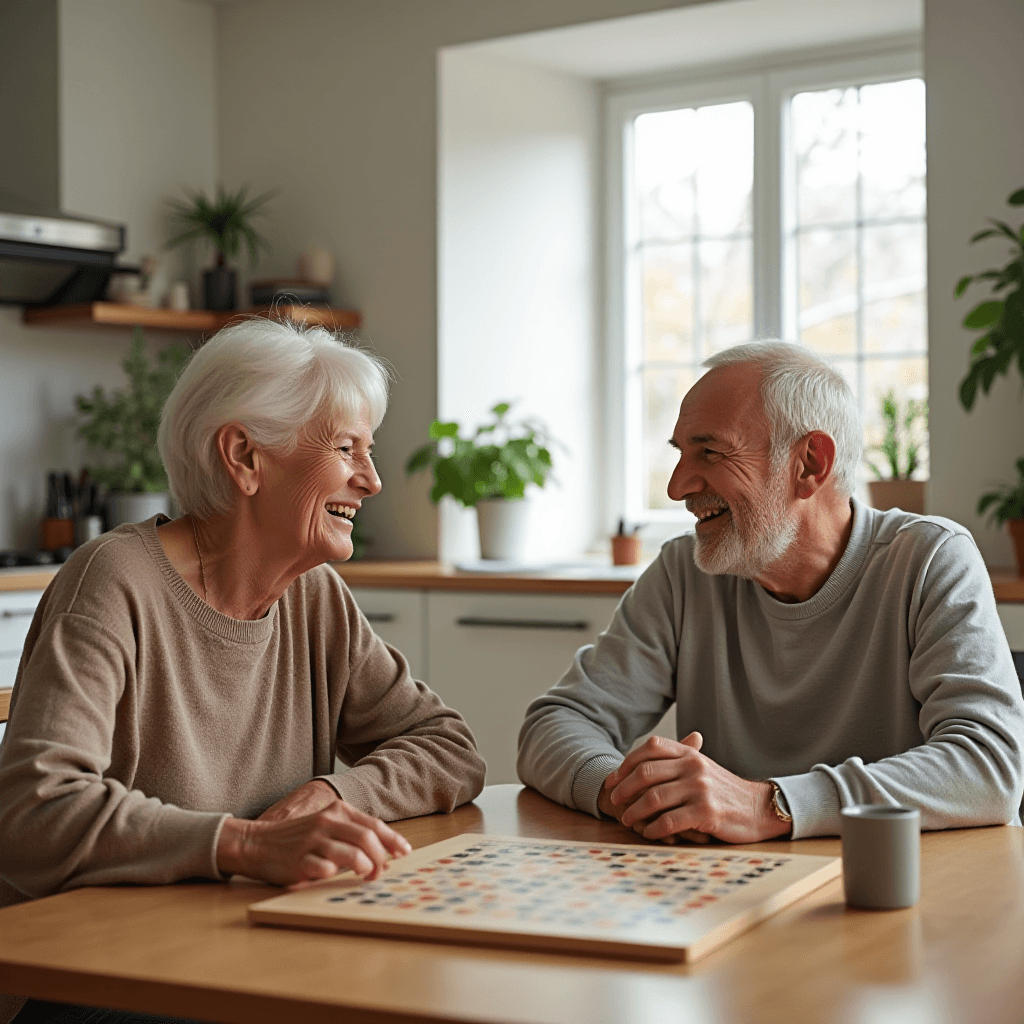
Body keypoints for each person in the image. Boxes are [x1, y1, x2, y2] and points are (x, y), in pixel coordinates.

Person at [0, 318, 485, 1024]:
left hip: (249, 948)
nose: (372, 479)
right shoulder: (113, 583)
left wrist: (335, 793)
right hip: (108, 974)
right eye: (346, 448)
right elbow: (32, 810)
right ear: (245, 456)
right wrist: (246, 844)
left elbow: (448, 747)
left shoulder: (314, 596)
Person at [518, 340, 1024, 846]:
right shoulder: (682, 572)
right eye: (680, 455)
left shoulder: (931, 559)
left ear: (809, 463)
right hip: (736, 894)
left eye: (710, 452)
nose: (676, 487)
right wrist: (629, 790)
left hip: (903, 891)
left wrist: (768, 806)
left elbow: (989, 768)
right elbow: (555, 723)